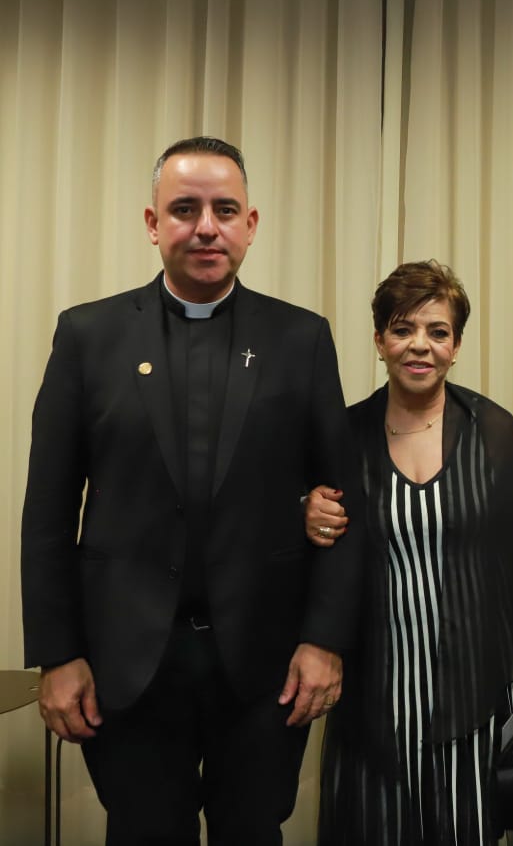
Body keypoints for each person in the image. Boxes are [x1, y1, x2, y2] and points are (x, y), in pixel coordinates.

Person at [20, 136, 363, 844]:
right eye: (184, 209)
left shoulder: (302, 339)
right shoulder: (87, 336)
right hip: (126, 666)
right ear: (153, 224)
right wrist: (57, 654)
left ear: (250, 224)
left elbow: (343, 504)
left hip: (267, 668)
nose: (206, 227)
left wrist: (324, 640)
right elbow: (47, 514)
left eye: (224, 210)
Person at [303, 259, 513, 846]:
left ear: (456, 346)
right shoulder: (344, 437)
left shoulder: (492, 430)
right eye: (403, 329)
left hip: (477, 694)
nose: (420, 345)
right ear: (379, 341)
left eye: (437, 331)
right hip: (374, 703)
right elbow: (306, 543)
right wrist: (305, 510)